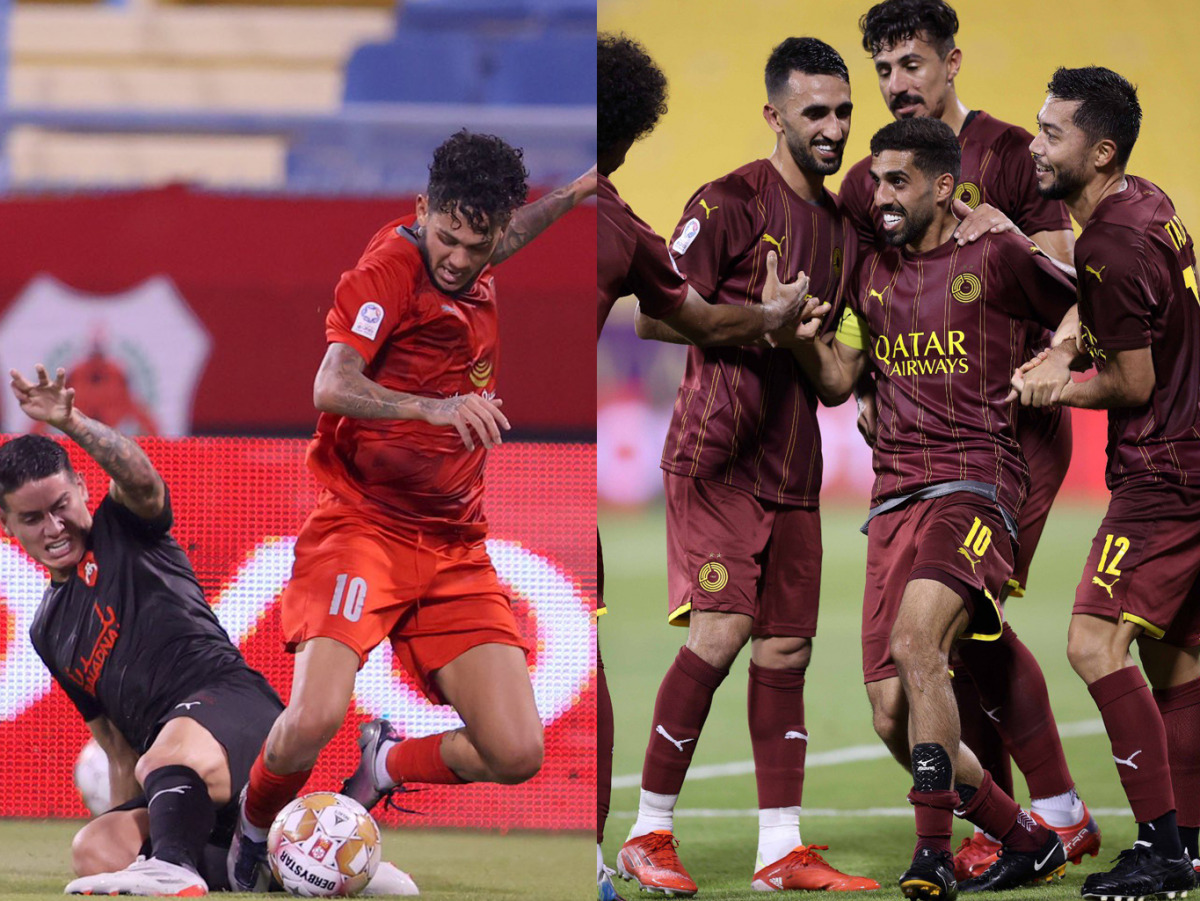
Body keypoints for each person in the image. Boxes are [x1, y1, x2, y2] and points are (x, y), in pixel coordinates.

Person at [226, 130, 595, 891]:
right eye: (447, 237)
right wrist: (437, 408)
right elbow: (330, 384)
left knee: (517, 751)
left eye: (478, 241)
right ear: (421, 210)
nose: (459, 257)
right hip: (363, 526)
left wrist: (582, 190)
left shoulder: (483, 244)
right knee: (312, 716)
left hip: (455, 545)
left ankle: (385, 763)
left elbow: (517, 230)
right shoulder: (388, 270)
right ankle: (253, 830)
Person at [837, 0, 1099, 880]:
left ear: (952, 61)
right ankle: (1039, 819)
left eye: (910, 63)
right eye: (882, 69)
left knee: (939, 638)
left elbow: (1071, 279)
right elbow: (871, 296)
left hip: (1006, 432)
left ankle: (992, 831)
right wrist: (876, 379)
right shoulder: (873, 177)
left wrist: (1052, 353)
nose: (896, 84)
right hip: (911, 447)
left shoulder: (1011, 159)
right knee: (945, 650)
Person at [616, 37, 878, 896]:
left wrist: (798, 337)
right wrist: (758, 317)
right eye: (816, 113)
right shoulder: (726, 203)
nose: (834, 128)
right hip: (716, 457)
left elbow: (834, 373)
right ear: (775, 115)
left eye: (843, 111)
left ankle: (779, 850)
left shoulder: (844, 233)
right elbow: (655, 319)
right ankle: (648, 832)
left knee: (787, 651)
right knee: (721, 633)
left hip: (793, 466)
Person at [790, 117, 1077, 897]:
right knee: (890, 712)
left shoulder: (998, 251)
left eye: (897, 182)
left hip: (977, 481)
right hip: (892, 497)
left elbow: (1094, 303)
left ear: (944, 188)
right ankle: (1024, 834)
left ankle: (932, 856)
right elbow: (839, 375)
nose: (878, 195)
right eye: (875, 180)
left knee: (921, 645)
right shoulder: (868, 270)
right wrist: (790, 330)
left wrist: (1056, 358)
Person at [1012, 65, 1200, 901]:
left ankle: (1158, 851)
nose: (1035, 143)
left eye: (1053, 134)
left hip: (1163, 472)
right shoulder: (1145, 203)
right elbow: (1108, 303)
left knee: (1093, 642)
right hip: (1196, 459)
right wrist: (1065, 338)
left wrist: (1058, 383)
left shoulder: (1110, 243)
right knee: (1177, 661)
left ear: (1102, 150)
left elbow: (1132, 382)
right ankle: (1190, 843)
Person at [2, 365, 286, 897]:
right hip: (177, 782)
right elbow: (116, 750)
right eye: (32, 518)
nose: (54, 526)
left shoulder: (125, 528)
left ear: (83, 489)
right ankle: (282, 869)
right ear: (7, 525)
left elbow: (140, 478)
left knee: (167, 755)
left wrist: (73, 421)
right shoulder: (47, 631)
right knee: (96, 849)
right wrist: (131, 830)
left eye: (60, 506)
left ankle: (175, 867)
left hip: (239, 711)